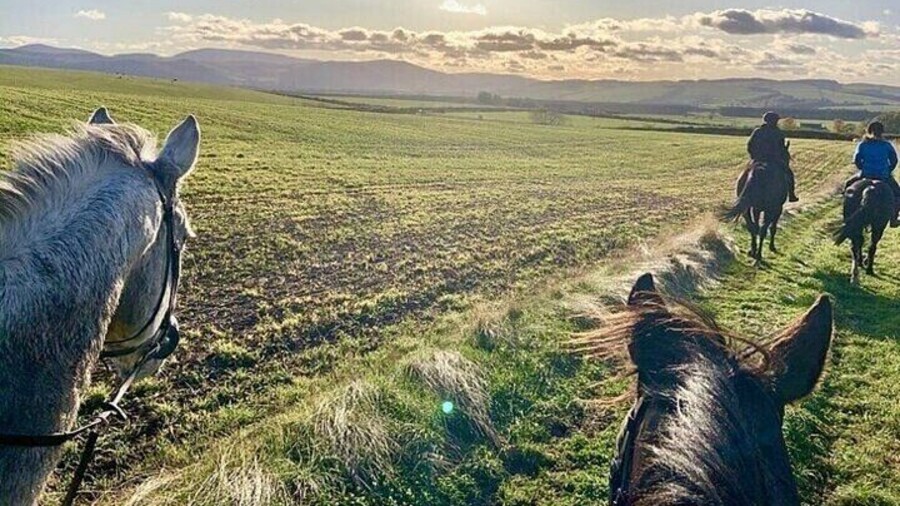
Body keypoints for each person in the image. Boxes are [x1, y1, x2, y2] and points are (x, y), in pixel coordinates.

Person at [850, 121, 900, 227]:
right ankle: (893, 219)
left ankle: (847, 214)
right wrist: (888, 170)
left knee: (848, 186)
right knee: (898, 194)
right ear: (882, 132)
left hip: (866, 175)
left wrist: (863, 169)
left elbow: (857, 160)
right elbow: (894, 160)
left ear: (869, 131)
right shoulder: (887, 145)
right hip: (883, 176)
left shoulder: (863, 144)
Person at [747, 111, 799, 202]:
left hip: (758, 159)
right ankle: (791, 194)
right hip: (774, 161)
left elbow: (750, 145)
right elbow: (782, 150)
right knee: (789, 174)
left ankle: (741, 194)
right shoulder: (779, 133)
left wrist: (754, 157)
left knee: (745, 174)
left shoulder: (757, 131)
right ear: (775, 121)